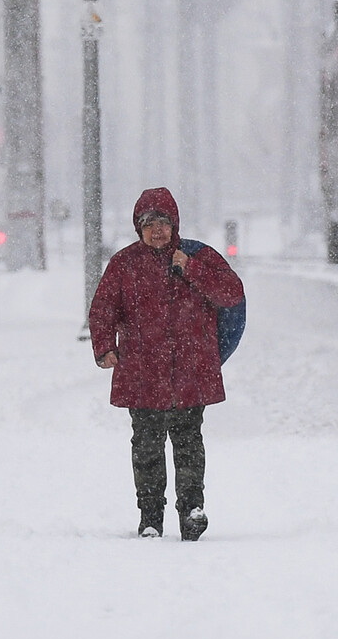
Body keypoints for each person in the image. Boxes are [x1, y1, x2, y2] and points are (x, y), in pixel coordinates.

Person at [89, 187, 245, 540]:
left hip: (190, 373)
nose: (156, 230)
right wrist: (104, 347)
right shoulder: (124, 264)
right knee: (146, 448)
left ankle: (192, 510)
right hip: (143, 375)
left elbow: (232, 293)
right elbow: (102, 309)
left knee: (189, 444)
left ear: (174, 225)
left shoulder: (197, 257)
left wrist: (192, 270)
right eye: (149, 224)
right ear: (137, 227)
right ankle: (150, 517)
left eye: (163, 223)